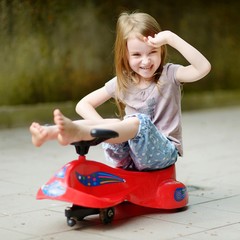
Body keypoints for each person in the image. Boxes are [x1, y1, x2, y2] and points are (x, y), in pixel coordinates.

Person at [30, 12, 211, 171]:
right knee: (113, 122)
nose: (146, 61)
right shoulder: (123, 82)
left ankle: (81, 133)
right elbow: (83, 104)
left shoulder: (170, 74)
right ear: (125, 55)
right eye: (137, 55)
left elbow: (203, 67)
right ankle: (50, 132)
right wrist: (105, 127)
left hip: (162, 154)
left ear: (161, 49)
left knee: (136, 121)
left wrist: (171, 38)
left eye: (152, 52)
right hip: (127, 157)